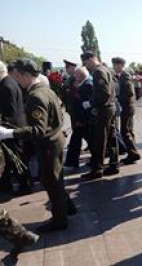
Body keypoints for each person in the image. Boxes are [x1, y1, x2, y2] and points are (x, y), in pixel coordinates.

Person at [0, 58, 76, 233]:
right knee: (52, 177)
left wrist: (9, 133)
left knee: (52, 182)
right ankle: (67, 207)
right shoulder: (46, 90)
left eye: (18, 76)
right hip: (54, 139)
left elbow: (38, 130)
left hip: (48, 143)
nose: (16, 80)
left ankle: (59, 220)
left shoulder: (36, 96)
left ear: (26, 75)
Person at [80, 51, 119, 179]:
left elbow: (103, 94)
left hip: (104, 109)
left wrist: (91, 103)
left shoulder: (98, 72)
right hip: (110, 107)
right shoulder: (106, 69)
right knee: (112, 137)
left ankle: (97, 169)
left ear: (91, 59)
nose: (86, 66)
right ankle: (114, 165)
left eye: (85, 63)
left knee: (99, 140)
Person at [0, 61, 32, 195]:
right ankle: (9, 184)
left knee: (17, 158)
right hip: (15, 127)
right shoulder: (10, 82)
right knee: (13, 158)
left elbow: (11, 111)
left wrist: (2, 124)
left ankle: (25, 186)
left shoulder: (6, 85)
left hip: (11, 128)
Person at [111, 57, 141, 164]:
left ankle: (133, 154)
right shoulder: (122, 76)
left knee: (125, 131)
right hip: (127, 107)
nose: (114, 67)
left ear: (121, 65)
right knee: (128, 130)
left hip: (127, 107)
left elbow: (129, 93)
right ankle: (132, 152)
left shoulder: (125, 76)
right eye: (114, 65)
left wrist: (117, 97)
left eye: (116, 65)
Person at [64, 66, 93, 170]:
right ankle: (72, 162)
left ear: (81, 75)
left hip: (83, 119)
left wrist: (81, 120)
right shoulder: (84, 84)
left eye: (76, 74)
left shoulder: (87, 85)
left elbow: (86, 106)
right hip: (81, 118)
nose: (74, 76)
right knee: (84, 139)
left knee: (78, 139)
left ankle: (72, 162)